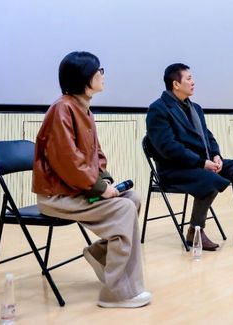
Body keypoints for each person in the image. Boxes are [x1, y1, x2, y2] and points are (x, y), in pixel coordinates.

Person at [32, 51, 151, 308]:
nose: (103, 75)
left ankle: (99, 255)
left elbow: (96, 154)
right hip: (58, 196)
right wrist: (97, 187)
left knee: (131, 198)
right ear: (85, 79)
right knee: (123, 209)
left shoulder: (82, 109)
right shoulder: (62, 109)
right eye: (99, 71)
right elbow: (67, 160)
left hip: (76, 189)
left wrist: (105, 181)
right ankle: (117, 292)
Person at [145, 63, 233, 250]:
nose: (193, 82)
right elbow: (168, 147)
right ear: (176, 84)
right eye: (189, 78)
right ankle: (195, 231)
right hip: (175, 169)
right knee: (211, 179)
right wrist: (201, 162)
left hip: (201, 163)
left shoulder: (195, 108)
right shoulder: (158, 109)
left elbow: (208, 136)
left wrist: (215, 154)